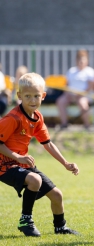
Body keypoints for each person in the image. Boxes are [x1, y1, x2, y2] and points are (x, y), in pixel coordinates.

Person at [0, 72, 80, 237]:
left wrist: (66, 163)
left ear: (43, 96)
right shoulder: (13, 118)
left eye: (36, 96)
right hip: (4, 165)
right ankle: (25, 221)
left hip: (21, 163)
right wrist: (18, 157)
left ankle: (60, 228)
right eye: (27, 96)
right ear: (19, 95)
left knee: (57, 195)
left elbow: (48, 143)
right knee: (34, 179)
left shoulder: (38, 117)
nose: (32, 100)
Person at [56, 49, 94, 129]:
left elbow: (91, 86)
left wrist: (80, 95)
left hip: (84, 95)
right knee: (60, 101)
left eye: (83, 60)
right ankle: (64, 124)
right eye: (79, 59)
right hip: (70, 95)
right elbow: (66, 84)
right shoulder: (71, 71)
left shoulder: (90, 71)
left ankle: (87, 125)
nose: (81, 62)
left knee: (83, 104)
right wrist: (68, 94)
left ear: (86, 61)